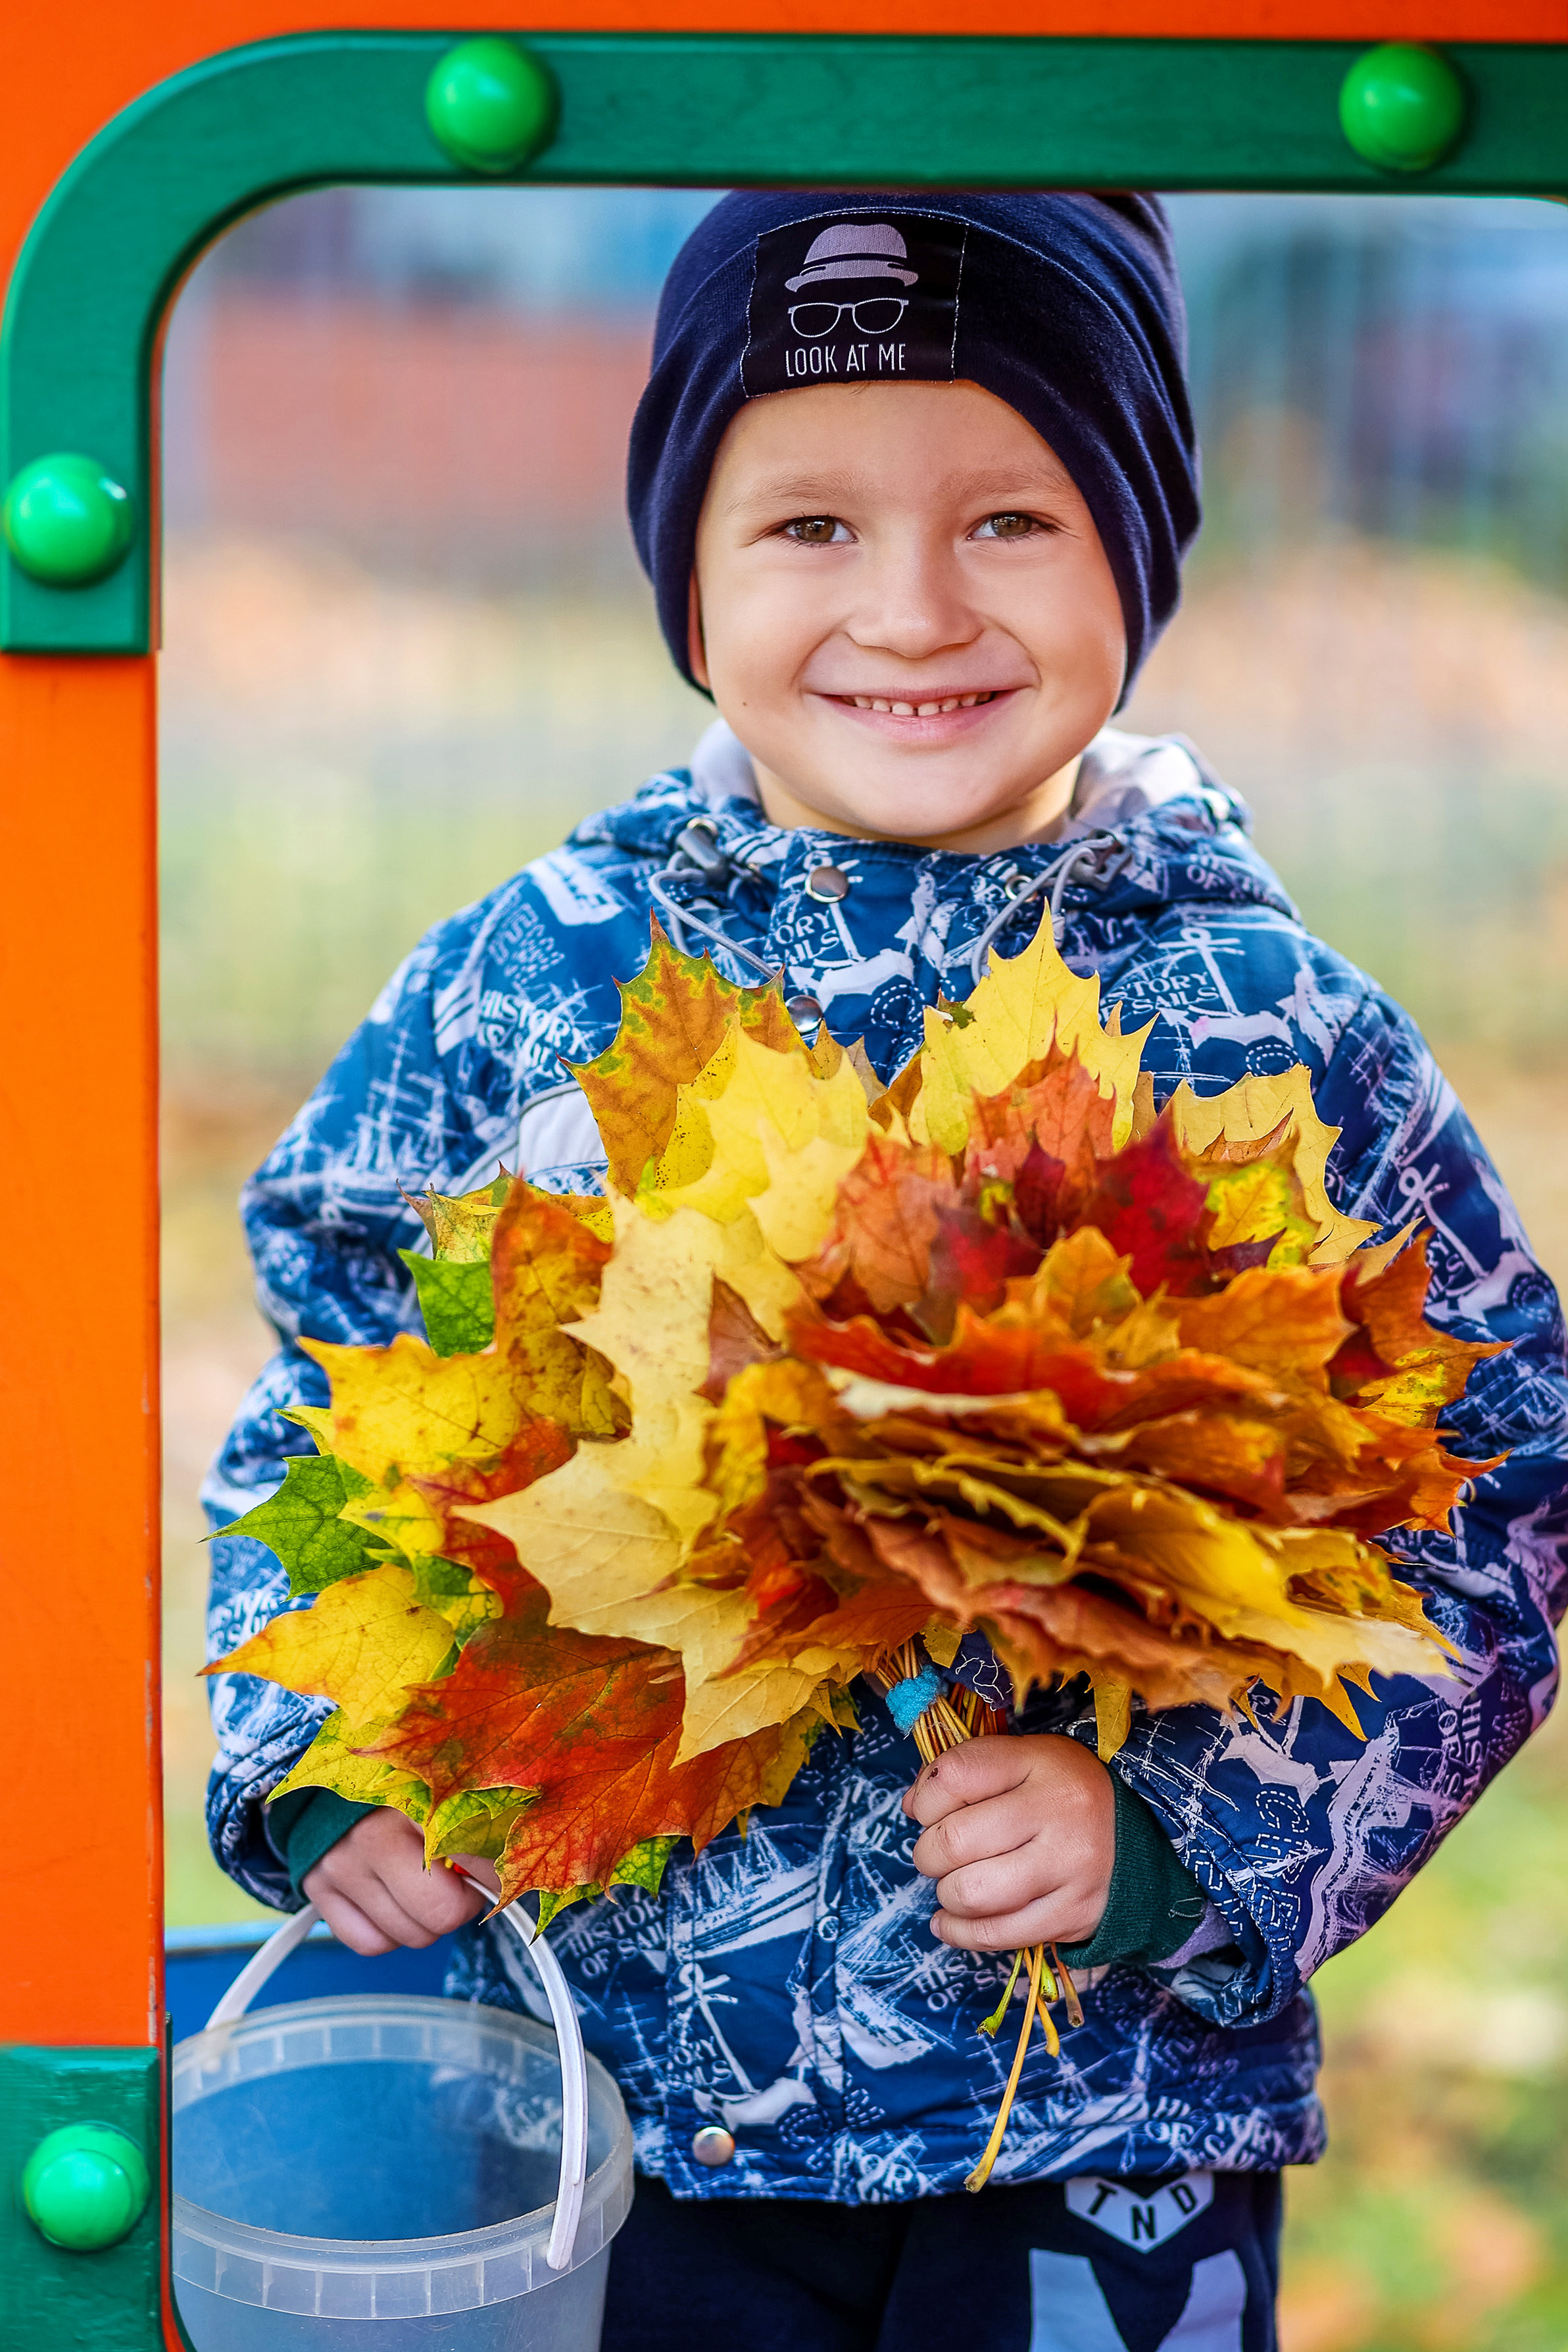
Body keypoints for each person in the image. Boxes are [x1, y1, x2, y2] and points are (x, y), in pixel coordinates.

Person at [203, 193, 1568, 2352]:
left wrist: (1184, 1841)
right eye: (809, 526)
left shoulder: (1263, 1033)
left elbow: (1493, 1493)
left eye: (1013, 517)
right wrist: (332, 1750)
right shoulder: (543, 983)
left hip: (1103, 2113)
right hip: (621, 2106)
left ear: (1140, 553)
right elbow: (349, 1378)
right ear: (689, 576)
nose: (913, 607)